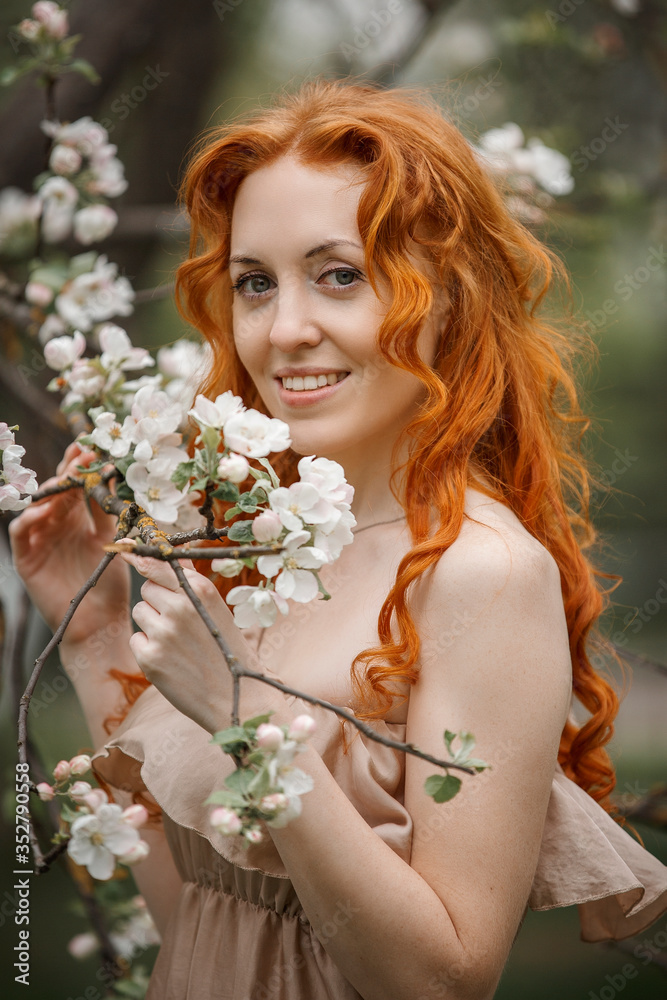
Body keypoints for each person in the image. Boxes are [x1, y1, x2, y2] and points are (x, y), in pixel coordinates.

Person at [10, 78, 667, 1000]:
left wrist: (249, 726)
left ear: (449, 295)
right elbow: (204, 917)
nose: (284, 331)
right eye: (253, 283)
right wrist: (92, 638)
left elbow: (441, 982)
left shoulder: (479, 573)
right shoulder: (241, 546)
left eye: (340, 275)